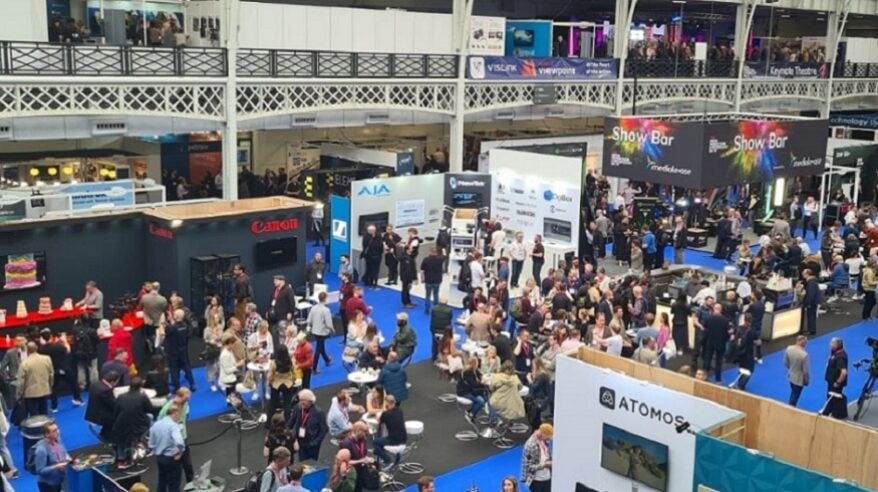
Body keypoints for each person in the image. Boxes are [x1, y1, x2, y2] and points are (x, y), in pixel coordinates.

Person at [113, 377, 153, 468]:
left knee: (121, 441)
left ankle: (121, 460)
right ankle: (141, 441)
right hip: (139, 426)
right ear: (140, 387)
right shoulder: (143, 397)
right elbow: (150, 409)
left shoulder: (121, 397)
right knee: (151, 418)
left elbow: (115, 412)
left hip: (122, 426)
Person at [158, 388, 193, 483]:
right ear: (178, 396)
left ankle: (191, 486)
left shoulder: (185, 404)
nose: (186, 401)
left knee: (188, 466)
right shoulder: (167, 408)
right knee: (174, 470)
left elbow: (185, 417)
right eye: (185, 399)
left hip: (183, 438)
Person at [148, 404, 186, 492]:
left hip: (160, 458)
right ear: (175, 414)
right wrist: (180, 451)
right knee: (174, 484)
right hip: (171, 458)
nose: (179, 418)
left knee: (162, 481)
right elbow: (179, 441)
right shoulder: (173, 426)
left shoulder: (155, 425)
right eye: (179, 415)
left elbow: (151, 444)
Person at [287, 389, 328, 461]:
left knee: (312, 463)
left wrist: (316, 442)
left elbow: (324, 429)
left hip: (312, 443)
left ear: (310, 401)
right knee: (302, 462)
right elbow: (291, 422)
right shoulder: (298, 408)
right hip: (300, 440)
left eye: (303, 400)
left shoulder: (318, 412)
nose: (301, 402)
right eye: (300, 400)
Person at [164, 309, 196, 392]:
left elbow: (165, 331)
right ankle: (192, 384)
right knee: (187, 368)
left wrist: (169, 321)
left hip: (173, 352)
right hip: (182, 351)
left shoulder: (172, 328)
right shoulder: (185, 326)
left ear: (176, 316)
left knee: (174, 369)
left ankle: (177, 387)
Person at [18, 341, 52, 418]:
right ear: (36, 348)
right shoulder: (47, 359)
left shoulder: (24, 363)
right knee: (44, 411)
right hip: (44, 389)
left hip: (30, 393)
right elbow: (51, 374)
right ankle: (45, 428)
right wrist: (50, 385)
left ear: (27, 350)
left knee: (34, 414)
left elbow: (21, 382)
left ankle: (37, 429)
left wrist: (19, 394)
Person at [34, 421, 71, 492]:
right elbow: (40, 471)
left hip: (60, 479)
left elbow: (64, 452)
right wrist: (56, 466)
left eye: (57, 429)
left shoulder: (58, 439)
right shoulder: (41, 450)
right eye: (54, 431)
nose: (58, 432)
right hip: (48, 485)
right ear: (47, 434)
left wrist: (68, 458)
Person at [339, 422, 375, 492]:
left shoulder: (363, 440)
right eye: (364, 432)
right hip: (351, 472)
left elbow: (363, 454)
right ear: (358, 431)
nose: (365, 435)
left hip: (361, 470)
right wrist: (361, 461)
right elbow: (345, 462)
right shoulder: (346, 444)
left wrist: (367, 458)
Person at [373, 395, 406, 468]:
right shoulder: (399, 411)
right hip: (403, 439)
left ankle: (387, 460)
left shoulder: (386, 414)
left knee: (375, 442)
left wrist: (383, 409)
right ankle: (396, 460)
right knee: (381, 443)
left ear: (386, 403)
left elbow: (379, 420)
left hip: (393, 441)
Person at [85, 371, 119, 442]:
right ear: (113, 382)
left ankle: (104, 434)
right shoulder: (106, 390)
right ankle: (111, 439)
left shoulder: (96, 383)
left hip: (92, 412)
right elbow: (113, 404)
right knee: (120, 416)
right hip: (100, 416)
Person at [520, 423, 553, 492]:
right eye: (548, 437)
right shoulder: (530, 446)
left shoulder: (544, 440)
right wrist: (544, 465)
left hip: (547, 477)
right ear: (543, 434)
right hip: (536, 480)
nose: (549, 439)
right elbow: (529, 466)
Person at [307, 292, 334, 372]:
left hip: (315, 331)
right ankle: (314, 368)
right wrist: (332, 329)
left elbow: (309, 320)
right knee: (318, 349)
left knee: (320, 346)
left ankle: (327, 359)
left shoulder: (313, 308)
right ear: (325, 299)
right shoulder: (326, 310)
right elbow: (329, 324)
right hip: (322, 332)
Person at [823, 337, 848, 419]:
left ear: (837, 345)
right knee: (831, 396)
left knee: (834, 397)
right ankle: (830, 412)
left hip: (835, 382)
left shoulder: (840, 357)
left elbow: (843, 372)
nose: (830, 345)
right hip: (832, 380)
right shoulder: (836, 352)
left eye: (832, 343)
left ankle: (834, 414)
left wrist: (838, 382)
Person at [268, 346, 296, 422]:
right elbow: (294, 372)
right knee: (287, 403)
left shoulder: (274, 363)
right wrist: (293, 380)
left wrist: (269, 383)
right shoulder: (290, 361)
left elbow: (270, 376)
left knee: (272, 403)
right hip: (288, 384)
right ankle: (288, 422)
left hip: (276, 384)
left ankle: (269, 422)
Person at [704, 304, 730, 383]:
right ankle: (718, 379)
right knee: (718, 362)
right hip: (720, 343)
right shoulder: (725, 320)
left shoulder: (708, 318)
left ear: (714, 309)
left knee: (707, 359)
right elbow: (727, 333)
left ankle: (704, 375)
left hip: (710, 342)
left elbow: (705, 329)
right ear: (721, 310)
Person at [457, 357, 489, 422]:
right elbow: (473, 384)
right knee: (481, 401)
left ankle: (470, 411)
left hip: (471, 390)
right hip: (465, 391)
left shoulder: (474, 370)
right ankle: (471, 414)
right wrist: (482, 383)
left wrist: (482, 377)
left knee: (486, 397)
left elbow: (479, 375)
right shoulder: (467, 372)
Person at [784, 335, 810, 407]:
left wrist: (792, 368)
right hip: (799, 380)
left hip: (791, 375)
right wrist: (806, 381)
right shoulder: (804, 355)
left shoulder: (789, 348)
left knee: (793, 392)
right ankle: (791, 408)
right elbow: (805, 371)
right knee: (795, 395)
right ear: (804, 344)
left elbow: (785, 363)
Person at [420, 247, 445, 314]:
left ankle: (427, 309)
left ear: (430, 252)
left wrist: (422, 279)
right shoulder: (440, 259)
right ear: (436, 253)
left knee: (427, 295)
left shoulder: (426, 260)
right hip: (437, 281)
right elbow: (445, 256)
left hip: (428, 281)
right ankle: (436, 309)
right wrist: (443, 250)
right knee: (436, 295)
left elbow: (422, 270)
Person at [429, 297, 453, 361]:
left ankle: (434, 356)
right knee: (445, 343)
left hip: (435, 329)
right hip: (445, 331)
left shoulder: (434, 309)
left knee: (434, 343)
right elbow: (450, 319)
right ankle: (444, 356)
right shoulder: (449, 310)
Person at [801, 268, 820, 336]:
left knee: (811, 316)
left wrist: (808, 303)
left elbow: (811, 294)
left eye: (803, 274)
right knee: (812, 315)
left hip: (812, 302)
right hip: (814, 301)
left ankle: (811, 330)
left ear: (807, 274)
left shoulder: (811, 282)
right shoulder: (813, 281)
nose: (803, 275)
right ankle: (811, 329)